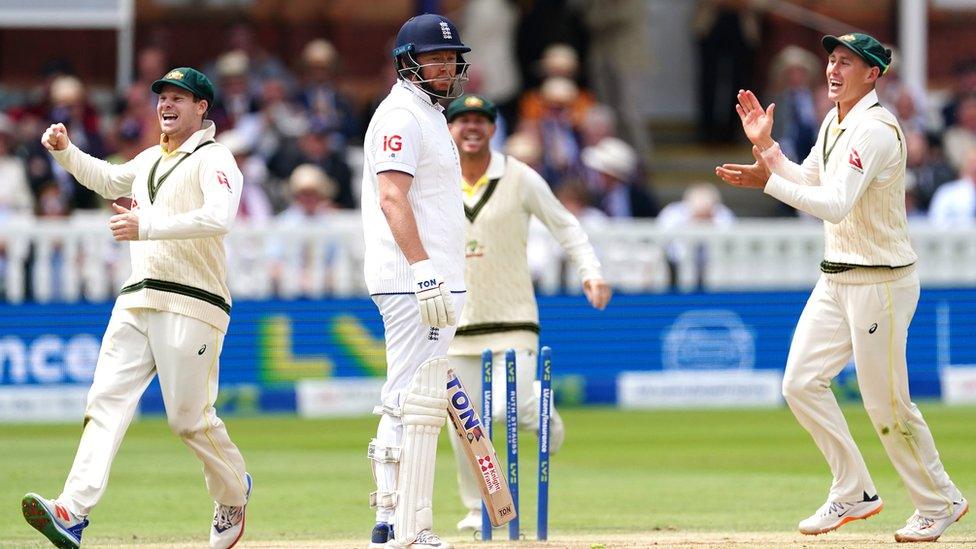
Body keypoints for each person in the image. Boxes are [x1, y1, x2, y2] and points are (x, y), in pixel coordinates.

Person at [715, 33, 968, 542]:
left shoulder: (875, 129)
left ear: (873, 74)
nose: (832, 69)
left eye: (846, 63)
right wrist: (765, 147)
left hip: (881, 281)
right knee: (801, 383)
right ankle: (853, 490)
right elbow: (809, 180)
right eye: (830, 60)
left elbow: (834, 205)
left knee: (887, 406)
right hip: (837, 277)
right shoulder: (836, 120)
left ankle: (938, 501)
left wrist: (765, 182)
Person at [22, 67, 252, 549]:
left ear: (202, 107)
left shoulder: (216, 158)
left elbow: (218, 217)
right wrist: (65, 151)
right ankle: (73, 510)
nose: (167, 105)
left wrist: (146, 226)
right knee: (104, 402)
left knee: (188, 420)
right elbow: (108, 179)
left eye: (179, 98)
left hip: (193, 300)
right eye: (163, 97)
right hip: (136, 297)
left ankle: (232, 491)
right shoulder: (150, 158)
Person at [444, 94, 611, 533]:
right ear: (449, 129)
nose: (472, 128)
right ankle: (476, 504)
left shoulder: (519, 177)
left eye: (481, 120)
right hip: (456, 323)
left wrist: (590, 272)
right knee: (465, 426)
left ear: (493, 129)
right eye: (463, 121)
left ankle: (543, 410)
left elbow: (566, 225)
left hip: (514, 317)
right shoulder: (435, 180)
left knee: (506, 408)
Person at [361, 13, 470, 549]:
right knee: (411, 399)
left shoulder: (427, 114)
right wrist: (425, 270)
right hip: (413, 280)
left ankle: (391, 522)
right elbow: (391, 197)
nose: (447, 66)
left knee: (412, 396)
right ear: (408, 63)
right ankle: (406, 527)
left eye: (451, 57)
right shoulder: (401, 115)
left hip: (430, 277)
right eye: (436, 57)